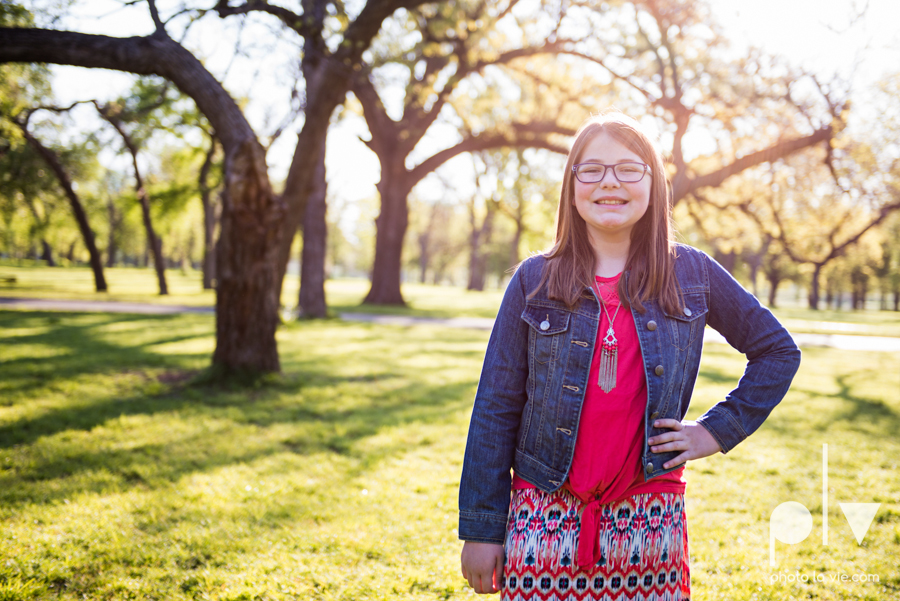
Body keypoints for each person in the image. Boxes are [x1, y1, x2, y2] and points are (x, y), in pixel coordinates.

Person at [457, 112, 801, 600]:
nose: (609, 182)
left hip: (650, 516)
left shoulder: (692, 274)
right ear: (572, 186)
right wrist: (482, 528)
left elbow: (777, 351)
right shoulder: (534, 281)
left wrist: (715, 432)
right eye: (592, 170)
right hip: (542, 513)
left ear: (653, 182)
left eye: (628, 169)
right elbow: (495, 405)